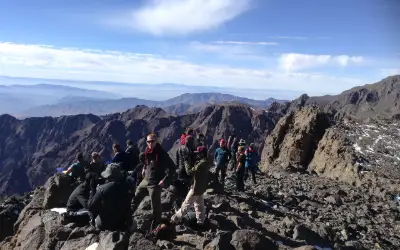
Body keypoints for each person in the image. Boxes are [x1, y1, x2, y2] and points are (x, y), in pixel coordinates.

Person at [131, 134, 175, 225]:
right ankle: (127, 217)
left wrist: (165, 180)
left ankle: (156, 226)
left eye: (152, 141)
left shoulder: (162, 154)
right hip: (146, 180)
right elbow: (146, 162)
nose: (150, 143)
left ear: (156, 141)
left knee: (155, 207)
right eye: (148, 141)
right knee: (135, 197)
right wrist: (144, 168)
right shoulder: (147, 151)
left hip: (155, 183)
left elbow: (172, 168)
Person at [171, 146, 209, 228]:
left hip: (195, 188)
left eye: (198, 153)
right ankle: (200, 222)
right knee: (199, 205)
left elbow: (189, 172)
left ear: (201, 154)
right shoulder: (207, 162)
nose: (197, 155)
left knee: (186, 204)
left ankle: (174, 219)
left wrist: (186, 161)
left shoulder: (200, 164)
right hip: (202, 188)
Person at [88, 163, 134, 231]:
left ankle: (94, 226)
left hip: (107, 225)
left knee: (94, 211)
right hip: (124, 222)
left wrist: (93, 190)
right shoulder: (128, 185)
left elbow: (90, 206)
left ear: (108, 176)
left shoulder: (102, 189)